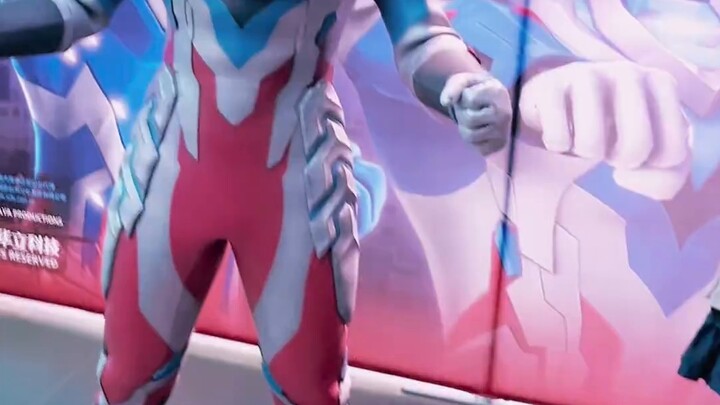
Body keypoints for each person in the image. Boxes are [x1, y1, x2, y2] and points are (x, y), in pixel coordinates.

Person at [0, 0, 512, 404]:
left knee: (308, 389)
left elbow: (423, 38)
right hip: (173, 173)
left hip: (294, 185)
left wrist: (463, 84)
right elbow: (74, 8)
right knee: (128, 378)